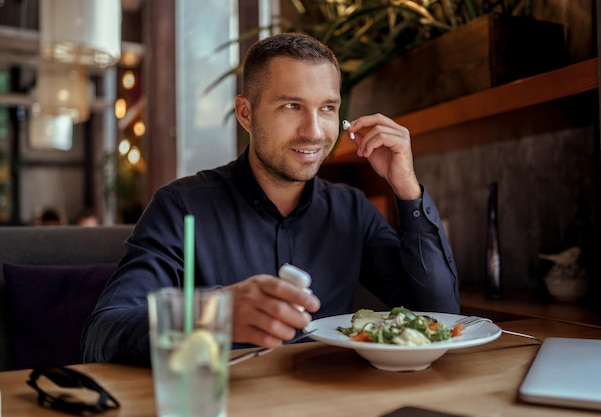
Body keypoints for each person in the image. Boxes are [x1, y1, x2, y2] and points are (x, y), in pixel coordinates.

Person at [82, 33, 459, 365]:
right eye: (291, 106)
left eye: (327, 108)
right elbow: (101, 334)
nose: (314, 131)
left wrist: (407, 188)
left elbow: (439, 316)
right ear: (246, 113)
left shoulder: (352, 210)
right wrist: (214, 313)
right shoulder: (180, 207)